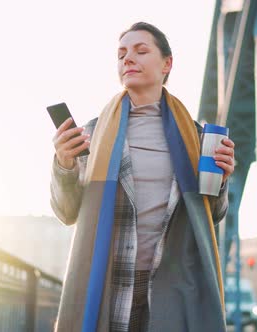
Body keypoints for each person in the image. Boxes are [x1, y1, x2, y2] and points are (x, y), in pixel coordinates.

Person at [50, 22, 235, 332]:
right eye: (121, 54)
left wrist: (223, 178)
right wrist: (64, 163)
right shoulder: (91, 135)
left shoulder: (199, 139)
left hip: (171, 290)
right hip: (109, 284)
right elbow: (66, 212)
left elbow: (212, 216)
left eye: (141, 51)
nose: (128, 59)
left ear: (167, 63)